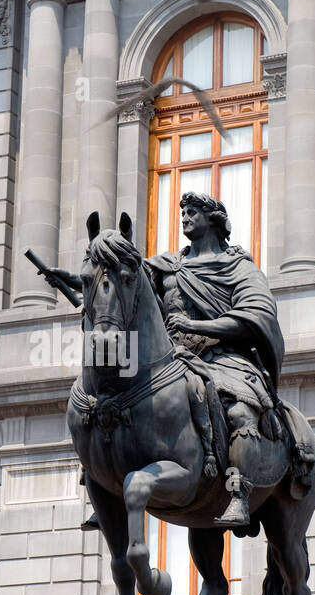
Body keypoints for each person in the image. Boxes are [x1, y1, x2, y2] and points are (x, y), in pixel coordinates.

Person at [54, 192, 286, 526]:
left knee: (239, 410)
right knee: (111, 403)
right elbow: (123, 282)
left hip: (225, 358)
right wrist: (76, 280)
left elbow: (256, 315)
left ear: (214, 219)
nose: (185, 217)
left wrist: (196, 325)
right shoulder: (166, 266)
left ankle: (239, 493)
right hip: (174, 356)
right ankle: (104, 480)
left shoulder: (239, 268)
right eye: (183, 212)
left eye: (194, 212)